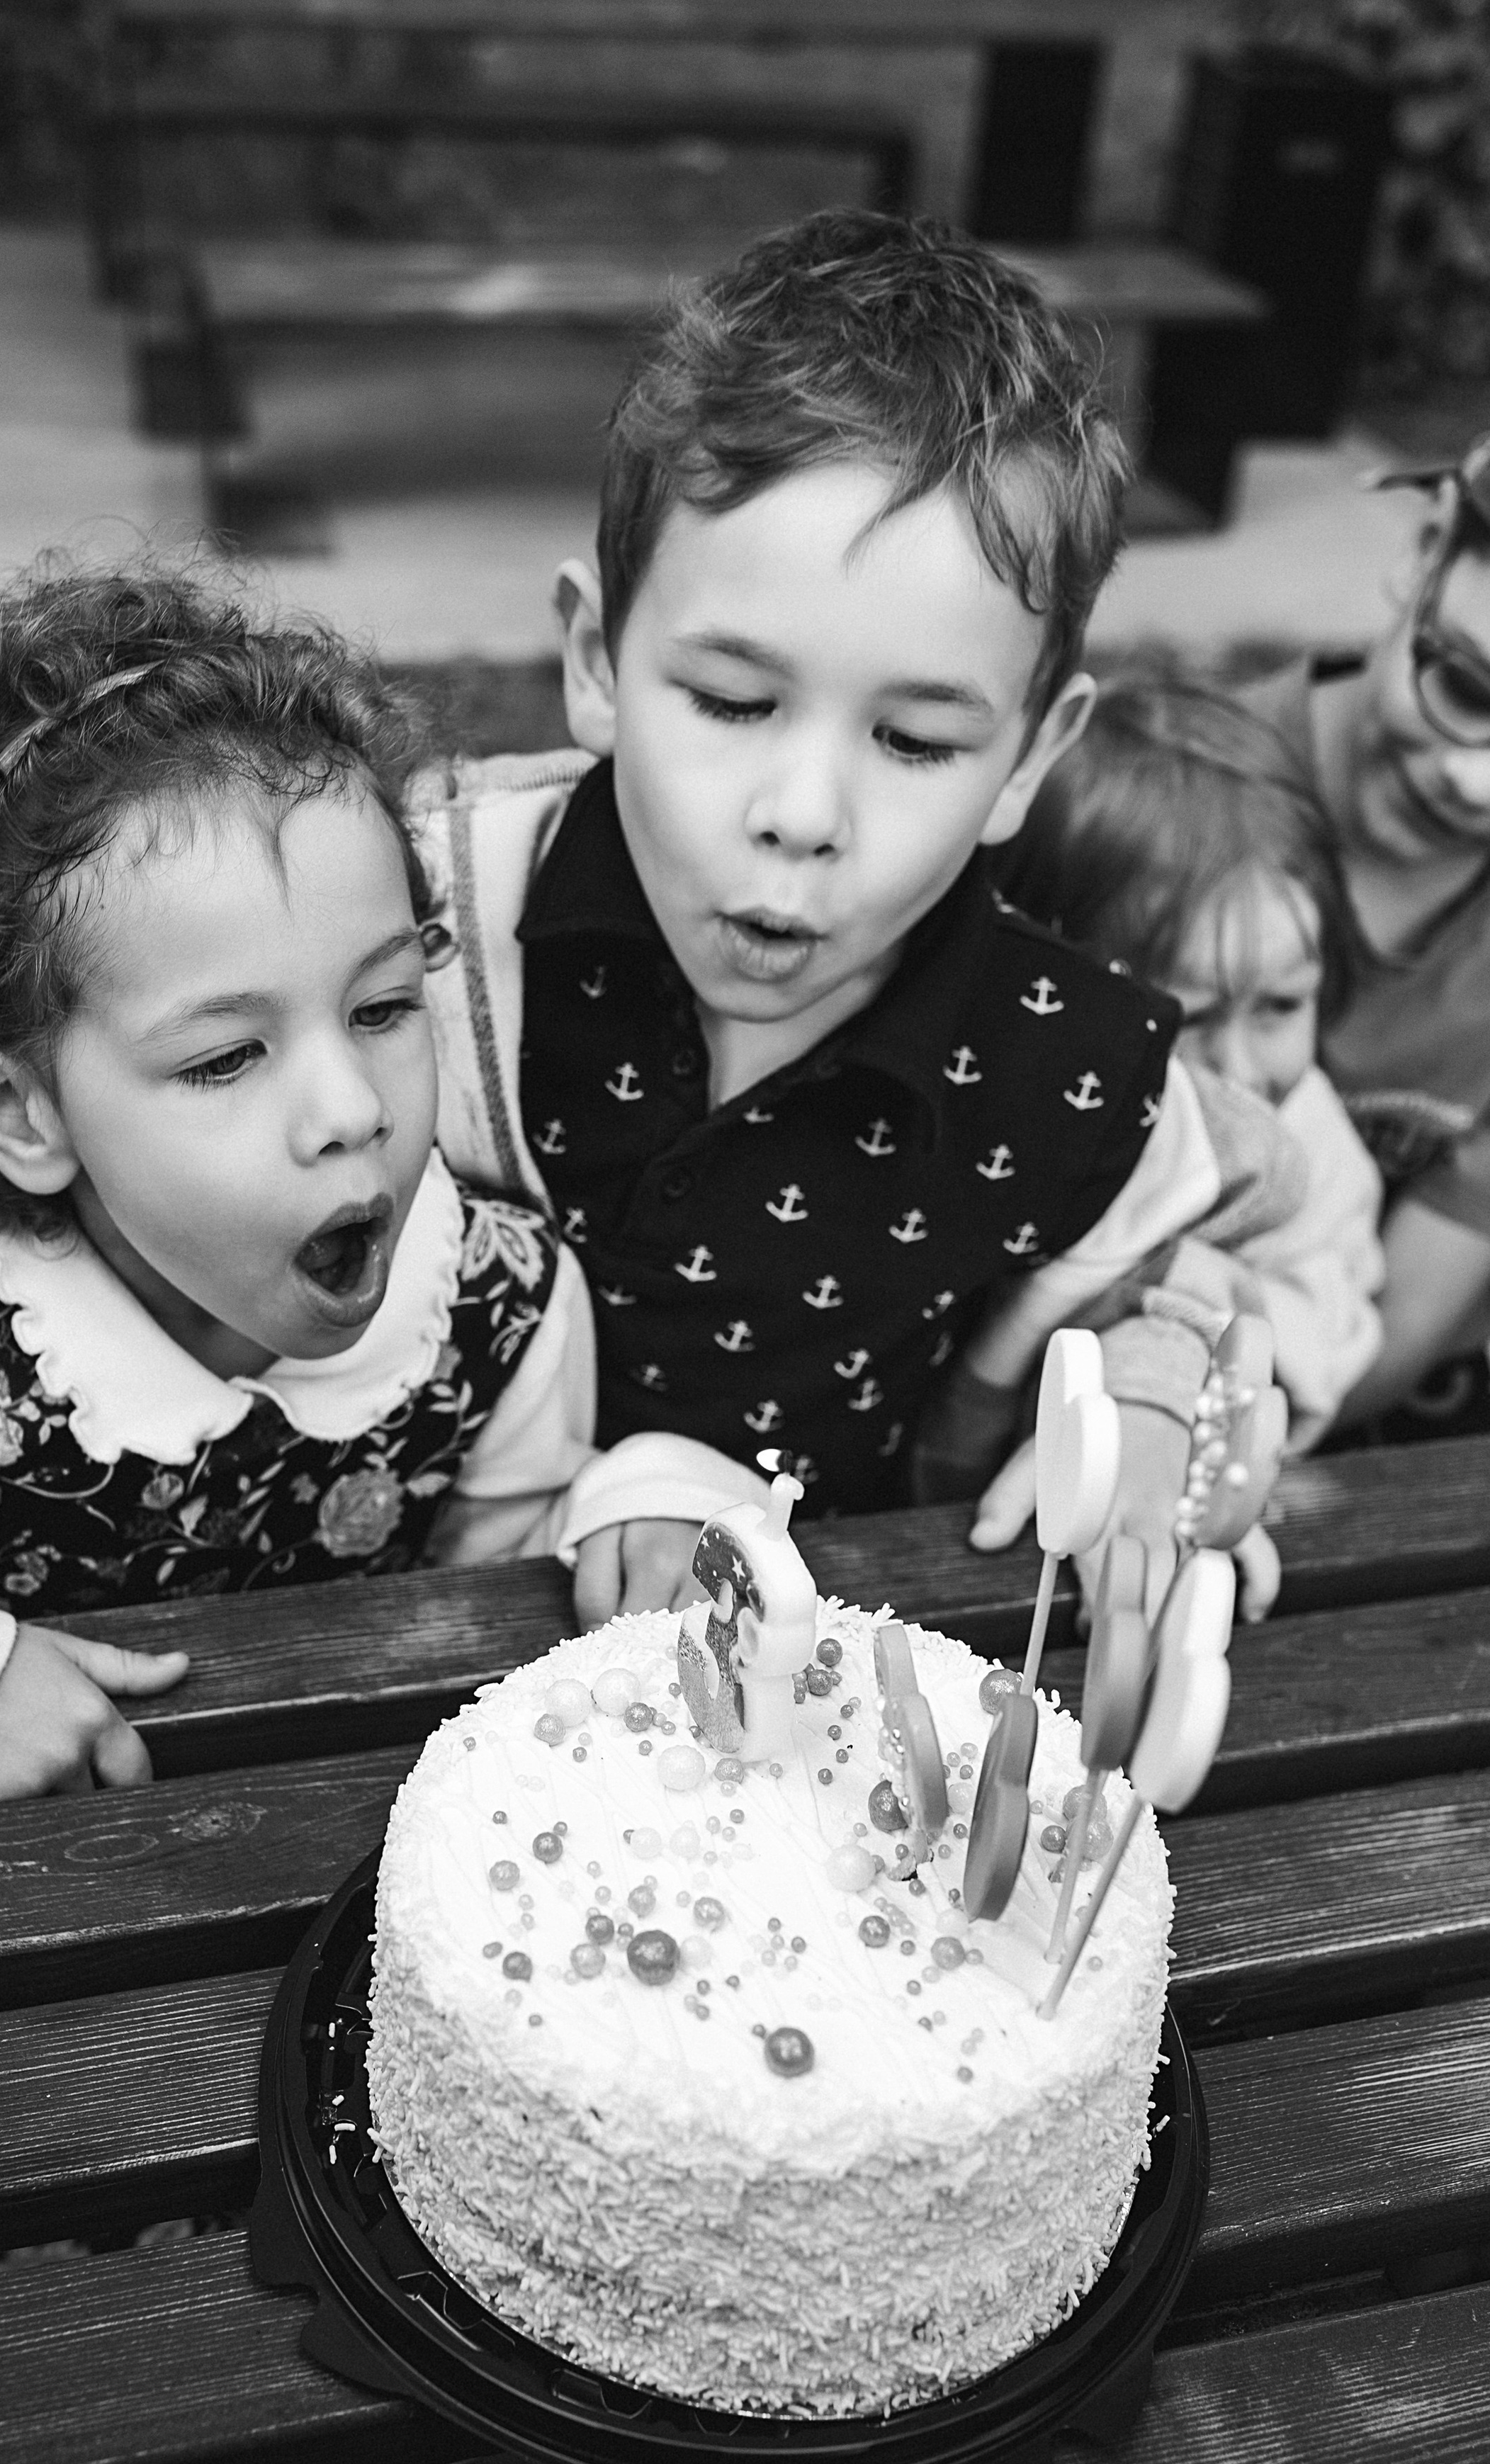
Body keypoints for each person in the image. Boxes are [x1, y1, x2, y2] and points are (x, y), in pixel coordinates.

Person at [0, 572, 758, 1803]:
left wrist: (636, 1496)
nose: (352, 1105)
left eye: (385, 1006)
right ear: (22, 1112)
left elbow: (508, 1628)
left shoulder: (499, 1305)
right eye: (224, 1056)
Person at [415, 208, 1295, 1624]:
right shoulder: (415, 936)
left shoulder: (1061, 1072)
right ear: (593, 659)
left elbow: (1176, 1285)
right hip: (356, 1700)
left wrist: (1146, 1413)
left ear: (1028, 757)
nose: (803, 810)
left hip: (834, 1751)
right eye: (730, 701)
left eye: (914, 740)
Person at [986, 668, 1384, 1460]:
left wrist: (1188, 1338)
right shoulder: (996, 1119)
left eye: (1280, 1005)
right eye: (1185, 1017)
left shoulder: (1305, 1144)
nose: (1238, 1069)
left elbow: (1326, 1319)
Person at [1245, 431, 1490, 1427]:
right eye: (1469, 687)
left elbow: (1395, 1334)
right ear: (1424, 550)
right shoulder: (1189, 808)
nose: (1477, 784)